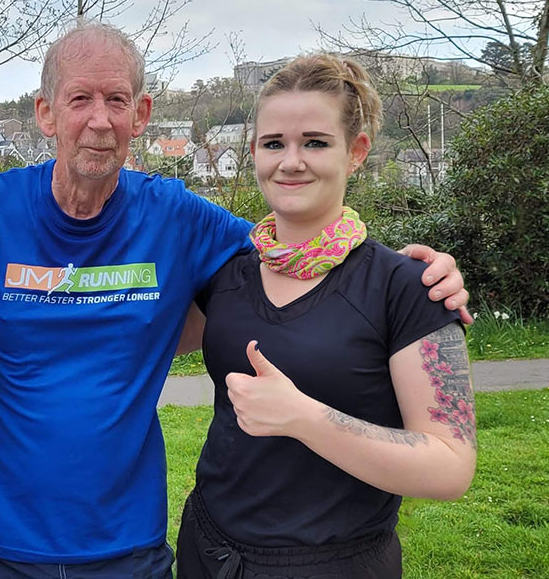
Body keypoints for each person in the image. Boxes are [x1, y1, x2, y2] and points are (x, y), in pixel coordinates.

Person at [0, 22, 470, 578]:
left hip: (128, 547)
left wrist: (419, 273)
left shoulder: (184, 218)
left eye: (116, 100)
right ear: (45, 112)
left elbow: (293, 249)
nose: (98, 118)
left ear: (142, 113)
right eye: (79, 99)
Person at [175, 55, 476, 578]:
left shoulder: (407, 287)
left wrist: (304, 418)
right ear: (254, 153)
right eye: (274, 144)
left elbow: (450, 466)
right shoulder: (226, 275)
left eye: (314, 141)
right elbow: (137, 333)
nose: (291, 161)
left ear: (356, 152)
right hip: (208, 549)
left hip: (333, 562)